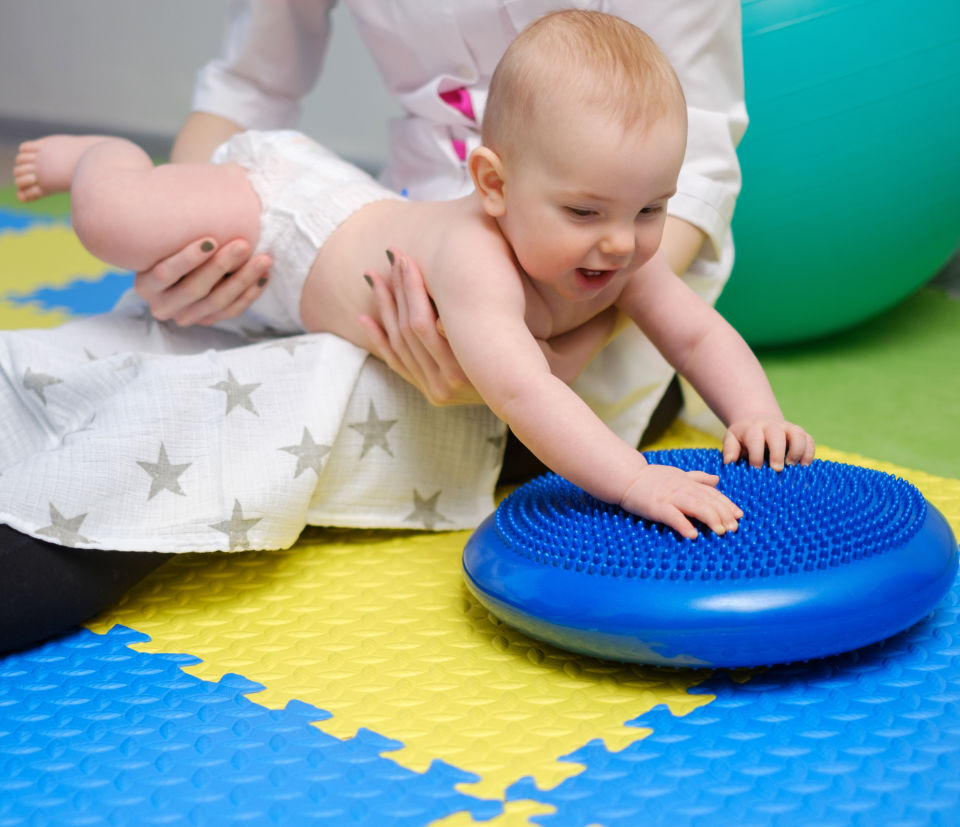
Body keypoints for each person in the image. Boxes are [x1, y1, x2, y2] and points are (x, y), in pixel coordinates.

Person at [14, 12, 814, 542]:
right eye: (585, 213)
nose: (620, 245)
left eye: (651, 209)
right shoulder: (479, 260)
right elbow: (527, 393)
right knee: (118, 220)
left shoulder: (616, 240)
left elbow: (698, 330)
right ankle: (98, 158)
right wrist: (636, 479)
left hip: (354, 242)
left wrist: (755, 414)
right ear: (494, 186)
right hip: (287, 214)